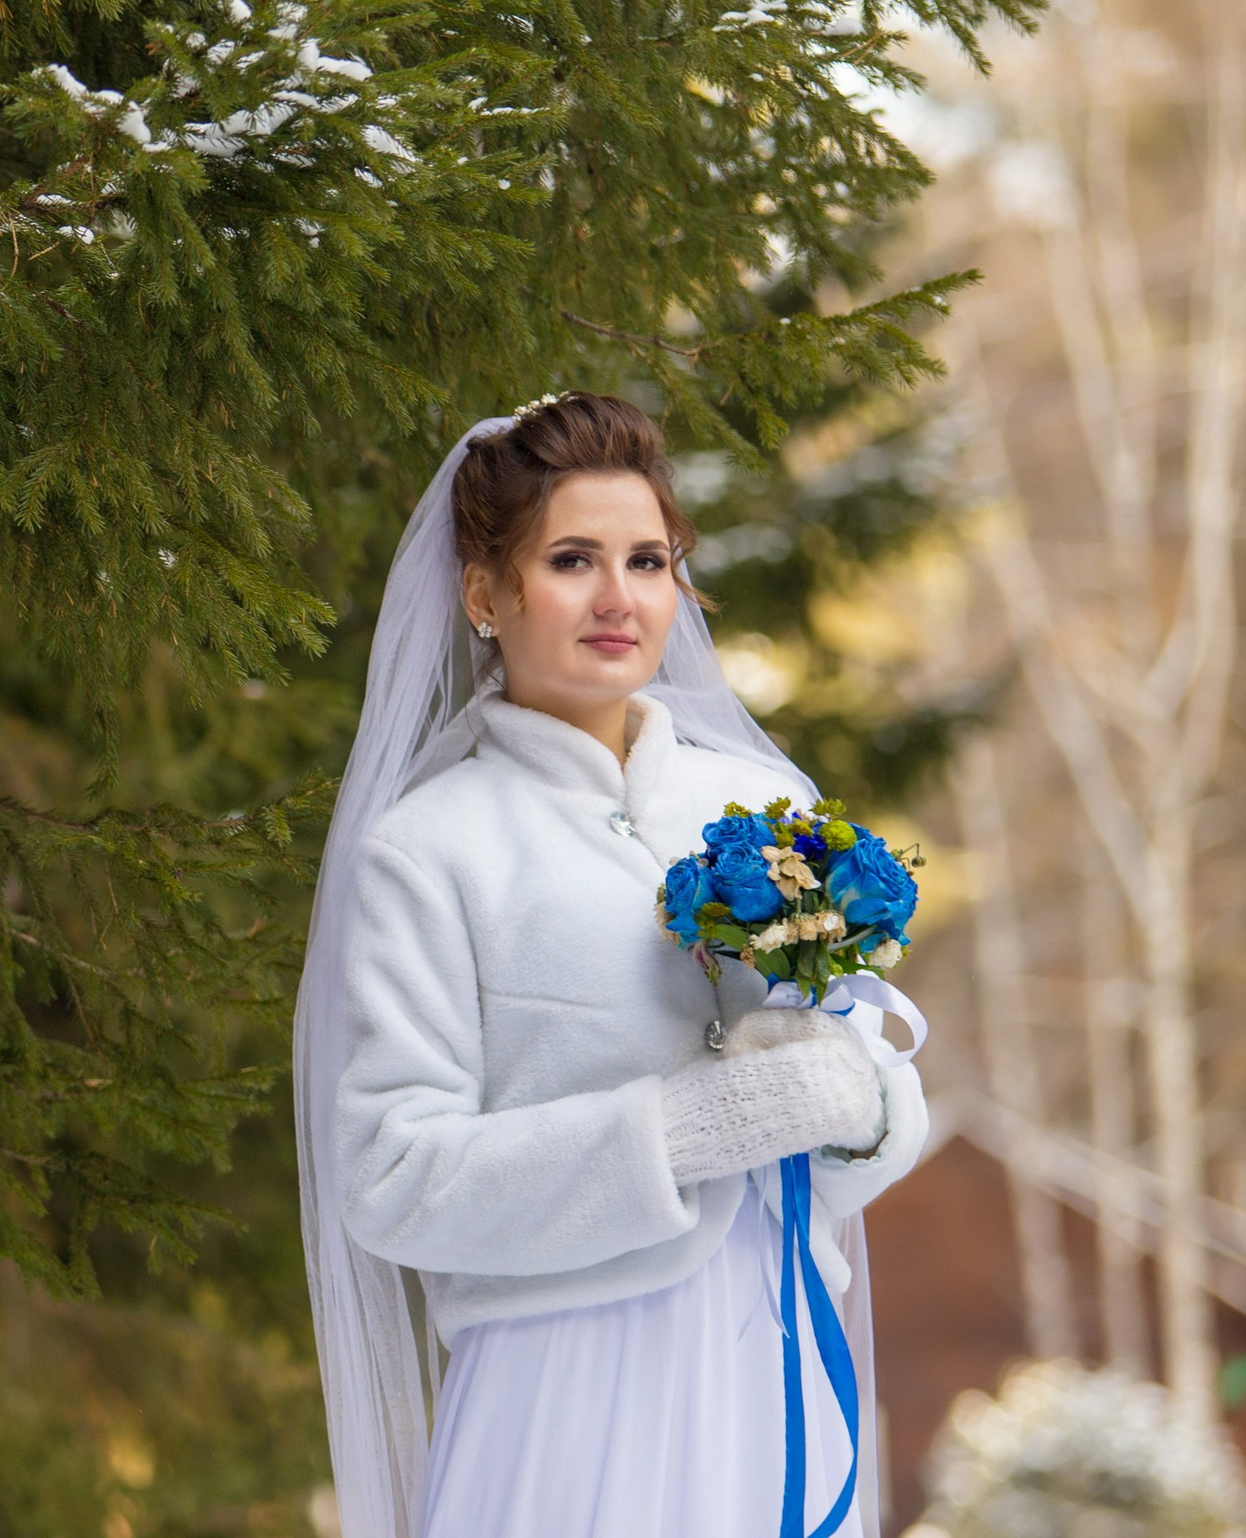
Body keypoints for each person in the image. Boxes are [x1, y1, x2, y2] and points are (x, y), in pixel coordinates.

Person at [294, 394, 928, 1538]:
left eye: (647, 559)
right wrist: (678, 1133)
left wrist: (863, 1106)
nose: (618, 598)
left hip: (770, 1367)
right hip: (566, 1383)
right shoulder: (431, 851)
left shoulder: (770, 808)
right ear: (484, 593)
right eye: (572, 559)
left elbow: (843, 1123)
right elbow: (389, 1179)